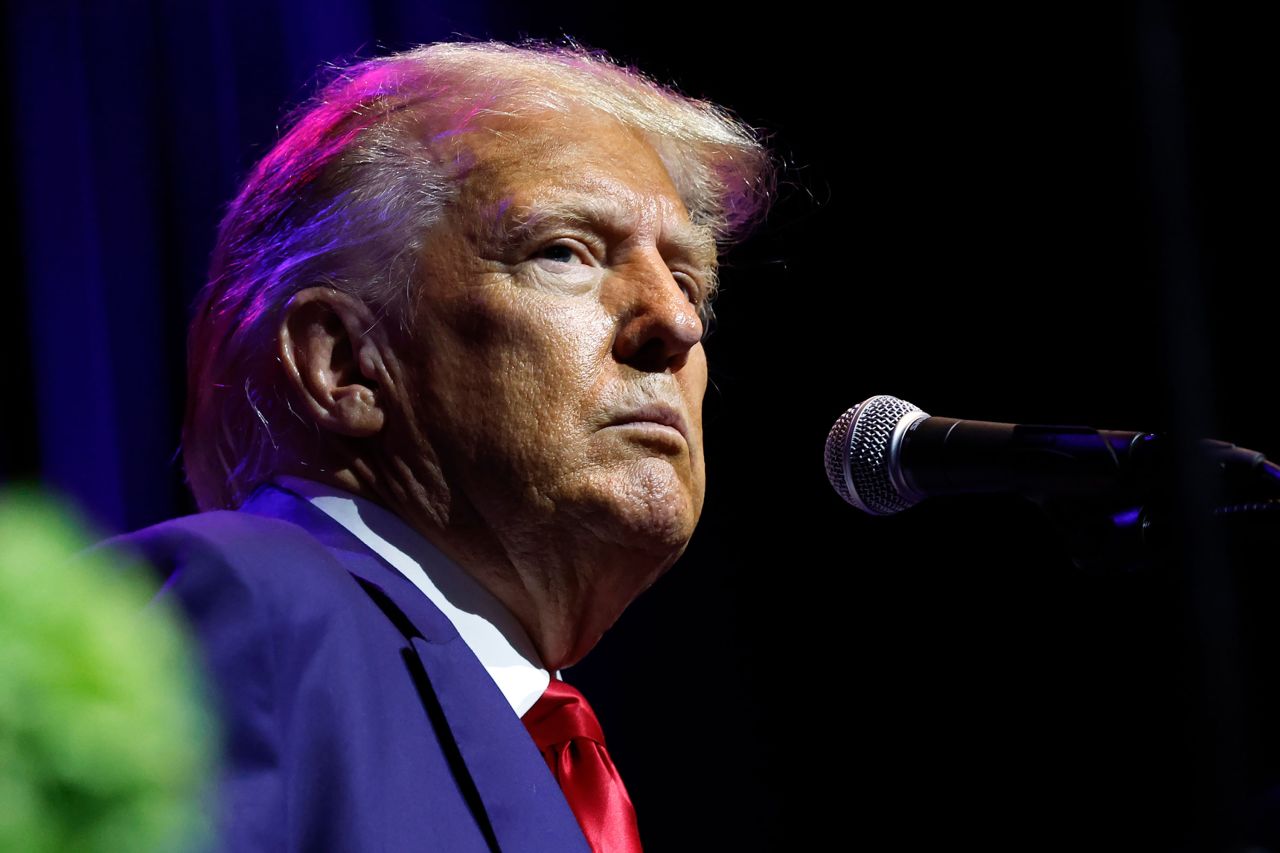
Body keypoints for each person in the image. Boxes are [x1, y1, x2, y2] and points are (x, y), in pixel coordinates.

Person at [104, 41, 772, 851]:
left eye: (689, 279)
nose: (676, 322)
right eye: (564, 251)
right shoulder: (251, 606)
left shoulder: (531, 726)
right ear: (346, 363)